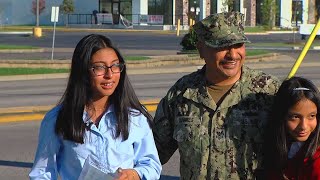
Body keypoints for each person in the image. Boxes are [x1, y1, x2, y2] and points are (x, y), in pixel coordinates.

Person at [152, 11, 280, 179]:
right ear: (201, 50)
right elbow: (152, 153)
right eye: (222, 46)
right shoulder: (181, 94)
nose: (233, 55)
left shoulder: (267, 91)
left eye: (238, 45)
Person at [29, 34, 162, 180]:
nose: (109, 75)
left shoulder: (135, 118)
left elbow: (152, 165)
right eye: (99, 68)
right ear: (83, 71)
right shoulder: (57, 119)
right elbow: (42, 173)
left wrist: (134, 174)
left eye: (115, 66)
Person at [265, 76, 320, 179]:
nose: (304, 126)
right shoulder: (275, 149)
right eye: (295, 117)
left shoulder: (317, 161)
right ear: (281, 116)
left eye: (312, 116)